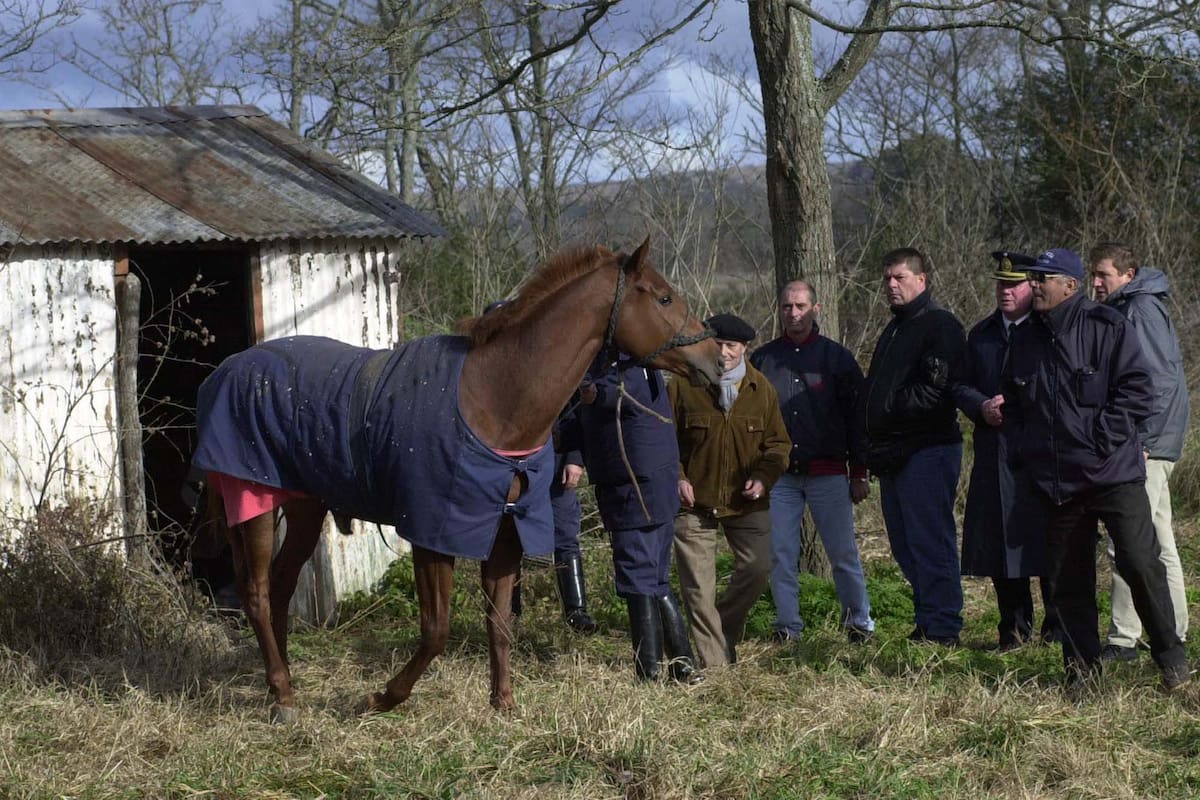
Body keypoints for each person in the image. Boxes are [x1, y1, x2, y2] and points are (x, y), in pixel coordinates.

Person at [1004, 247, 1189, 692]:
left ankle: (1173, 664)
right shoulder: (1026, 339)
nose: (1034, 285)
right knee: (1068, 581)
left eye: (1043, 278)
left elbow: (1138, 391)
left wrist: (1100, 441)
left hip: (1113, 474)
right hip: (1057, 483)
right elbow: (1015, 403)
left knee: (1142, 565)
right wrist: (1027, 453)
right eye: (1032, 278)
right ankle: (1081, 677)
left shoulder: (1108, 326)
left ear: (1070, 284)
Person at [750, 281, 876, 644]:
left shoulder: (837, 359)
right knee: (781, 555)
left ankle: (859, 623)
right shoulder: (763, 360)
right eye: (787, 307)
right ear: (779, 310)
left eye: (801, 306)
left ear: (816, 309)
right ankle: (788, 628)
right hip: (781, 477)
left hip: (829, 473)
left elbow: (857, 420)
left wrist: (860, 472)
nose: (794, 314)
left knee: (843, 553)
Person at [952, 251, 1060, 650]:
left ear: (1031, 286)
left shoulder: (1048, 330)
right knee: (1003, 544)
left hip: (1040, 457)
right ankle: (1013, 631)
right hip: (995, 453)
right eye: (1000, 284)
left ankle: (1057, 629)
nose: (1005, 291)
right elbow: (959, 385)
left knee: (1050, 542)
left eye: (1013, 285)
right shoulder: (981, 334)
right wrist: (981, 405)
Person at [669, 313, 791, 668]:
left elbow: (779, 445)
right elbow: (663, 443)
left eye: (731, 346)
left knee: (758, 567)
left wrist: (764, 478)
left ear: (745, 348)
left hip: (747, 502)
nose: (724, 352)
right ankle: (715, 669)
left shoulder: (761, 390)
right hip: (693, 504)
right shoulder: (682, 385)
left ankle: (721, 632)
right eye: (718, 344)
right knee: (698, 589)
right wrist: (678, 477)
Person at [859, 248, 966, 646]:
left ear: (921, 280)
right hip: (894, 452)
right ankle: (928, 617)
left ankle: (943, 625)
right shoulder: (896, 327)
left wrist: (887, 411)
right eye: (886, 278)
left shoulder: (939, 325)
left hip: (928, 449)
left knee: (930, 538)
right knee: (905, 543)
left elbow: (937, 392)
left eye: (899, 278)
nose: (891, 285)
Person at [1089, 242, 1190, 662]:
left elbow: (1159, 382)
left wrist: (1143, 443)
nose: (1096, 283)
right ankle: (1174, 629)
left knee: (1130, 542)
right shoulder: (1135, 305)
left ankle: (1126, 638)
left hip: (1146, 444)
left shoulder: (1139, 309)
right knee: (1158, 540)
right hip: (1155, 441)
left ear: (1127, 276)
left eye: (1104, 275)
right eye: (1093, 275)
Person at [578, 352, 702, 684]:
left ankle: (651, 673)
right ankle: (682, 666)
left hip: (634, 485)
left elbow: (605, 394)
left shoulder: (621, 366)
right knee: (654, 578)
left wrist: (581, 386)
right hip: (651, 483)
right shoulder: (644, 360)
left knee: (639, 576)